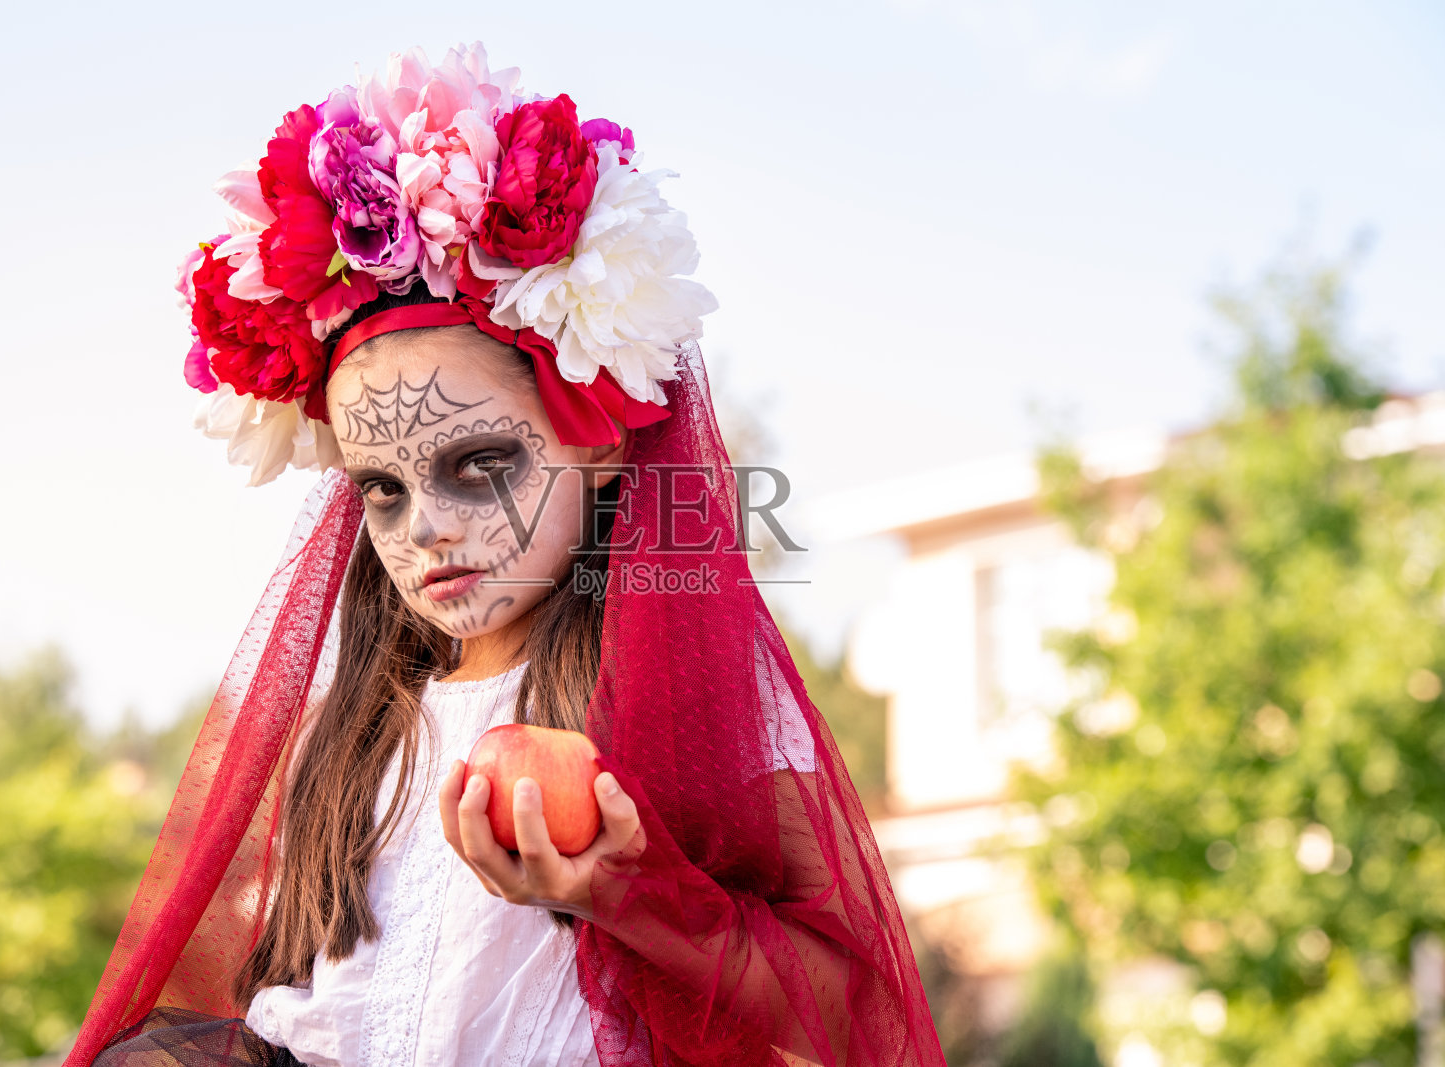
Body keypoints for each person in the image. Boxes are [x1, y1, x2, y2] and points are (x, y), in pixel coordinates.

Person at [66, 42, 946, 1067]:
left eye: (478, 462)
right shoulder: (350, 729)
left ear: (601, 441)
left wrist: (628, 889)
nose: (424, 527)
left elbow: (852, 1019)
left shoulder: (698, 692)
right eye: (381, 489)